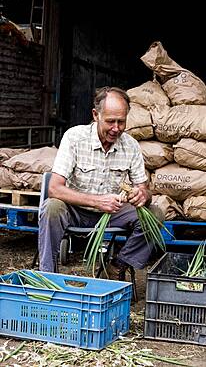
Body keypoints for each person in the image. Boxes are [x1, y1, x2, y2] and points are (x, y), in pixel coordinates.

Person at [38, 86, 153, 280]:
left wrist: (142, 195)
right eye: (110, 121)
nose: (116, 128)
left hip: (112, 214)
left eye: (121, 122)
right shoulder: (74, 137)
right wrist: (97, 201)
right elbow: (54, 188)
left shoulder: (131, 145)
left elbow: (144, 189)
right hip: (74, 210)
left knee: (155, 215)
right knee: (52, 208)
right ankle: (47, 276)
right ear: (95, 115)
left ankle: (116, 267)